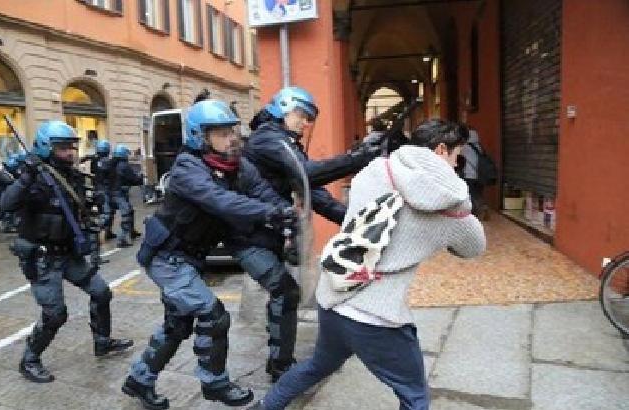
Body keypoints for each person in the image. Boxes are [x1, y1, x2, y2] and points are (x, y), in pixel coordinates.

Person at [249, 119, 486, 410]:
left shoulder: (377, 169)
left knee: (316, 366)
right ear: (440, 150)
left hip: (334, 296)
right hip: (378, 318)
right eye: (456, 156)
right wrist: (459, 206)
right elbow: (474, 247)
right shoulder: (451, 204)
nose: (456, 164)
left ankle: (264, 407)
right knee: (415, 397)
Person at [122, 100, 295, 410]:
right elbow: (221, 202)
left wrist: (284, 212)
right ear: (199, 137)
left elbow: (261, 191)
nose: (232, 139)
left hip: (190, 259)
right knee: (212, 314)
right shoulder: (188, 168)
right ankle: (214, 383)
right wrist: (269, 213)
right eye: (221, 133)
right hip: (167, 258)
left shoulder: (238, 165)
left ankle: (140, 379)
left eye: (233, 131)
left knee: (177, 326)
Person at [235, 86, 384, 381]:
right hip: (249, 234)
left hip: (269, 231)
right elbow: (308, 173)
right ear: (283, 108)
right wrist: (356, 159)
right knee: (286, 292)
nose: (305, 123)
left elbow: (311, 190)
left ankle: (278, 357)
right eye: (301, 115)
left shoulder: (284, 143)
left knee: (284, 294)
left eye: (309, 118)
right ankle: (281, 367)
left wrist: (351, 220)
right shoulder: (268, 139)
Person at [0, 121, 133, 384]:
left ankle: (102, 341)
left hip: (69, 254)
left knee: (101, 292)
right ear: (46, 149)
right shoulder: (33, 178)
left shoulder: (71, 176)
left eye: (72, 147)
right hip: (42, 259)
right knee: (55, 314)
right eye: (63, 149)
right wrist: (26, 176)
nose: (70, 153)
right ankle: (29, 359)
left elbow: (79, 214)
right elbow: (6, 204)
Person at [80, 140, 116, 241]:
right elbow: (111, 175)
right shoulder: (107, 162)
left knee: (104, 211)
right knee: (107, 212)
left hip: (97, 188)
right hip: (105, 189)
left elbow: (92, 171)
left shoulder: (94, 160)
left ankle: (107, 232)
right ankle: (98, 231)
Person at [110, 144, 144, 248]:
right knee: (126, 214)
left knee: (128, 211)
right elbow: (133, 179)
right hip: (120, 192)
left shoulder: (112, 164)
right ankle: (122, 239)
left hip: (112, 192)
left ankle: (131, 232)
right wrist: (141, 177)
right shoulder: (124, 165)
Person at [460, 127, 489, 220]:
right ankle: (483, 208)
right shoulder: (479, 147)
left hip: (469, 175)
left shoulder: (464, 147)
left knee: (471, 195)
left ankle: (477, 212)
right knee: (478, 193)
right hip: (480, 175)